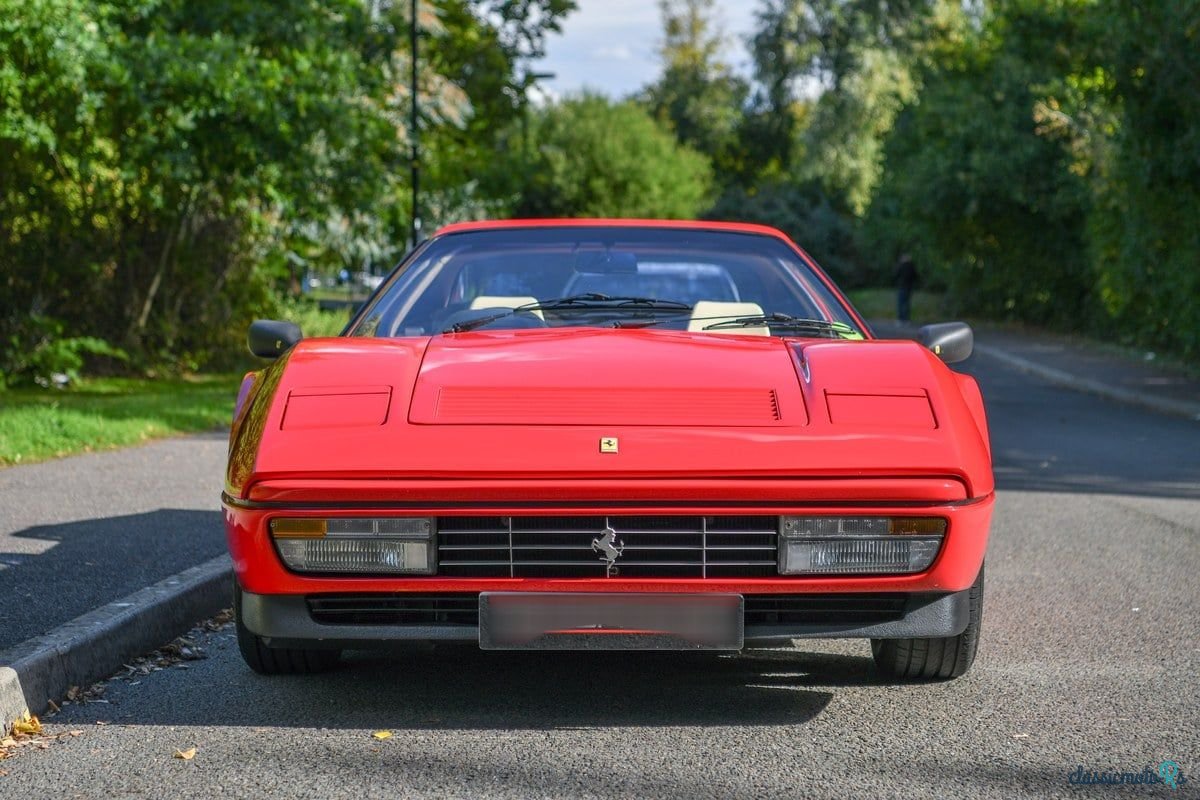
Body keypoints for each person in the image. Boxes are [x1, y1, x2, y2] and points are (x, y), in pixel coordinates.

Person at [895, 253, 918, 323]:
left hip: (902, 286)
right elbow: (915, 276)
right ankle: (906, 319)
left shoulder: (901, 266)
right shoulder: (912, 266)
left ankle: (900, 319)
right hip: (909, 287)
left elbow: (896, 274)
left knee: (901, 303)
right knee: (907, 303)